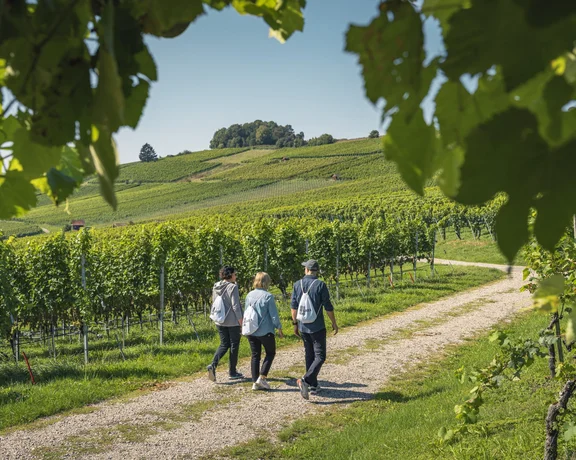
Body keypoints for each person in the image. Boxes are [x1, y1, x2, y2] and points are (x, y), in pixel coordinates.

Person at [291, 259, 338, 400]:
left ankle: (313, 385)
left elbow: (293, 306)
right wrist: (334, 323)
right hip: (317, 326)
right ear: (316, 271)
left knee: (309, 355)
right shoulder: (320, 285)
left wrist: (295, 324)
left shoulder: (297, 285)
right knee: (320, 356)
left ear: (306, 270)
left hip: (303, 325)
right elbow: (328, 306)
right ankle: (305, 380)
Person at [244, 272, 284, 390]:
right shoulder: (268, 296)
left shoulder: (249, 295)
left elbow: (247, 312)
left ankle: (254, 381)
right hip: (265, 331)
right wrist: (279, 328)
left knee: (255, 355)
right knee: (270, 353)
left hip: (251, 330)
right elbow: (274, 315)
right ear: (267, 282)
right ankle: (262, 378)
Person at [207, 265, 244, 381]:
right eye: (235, 274)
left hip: (220, 320)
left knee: (224, 344)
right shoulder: (232, 287)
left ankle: (213, 364)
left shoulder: (216, 286)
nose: (236, 276)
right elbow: (236, 306)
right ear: (230, 275)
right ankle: (232, 371)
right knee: (234, 345)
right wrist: (241, 322)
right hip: (232, 321)